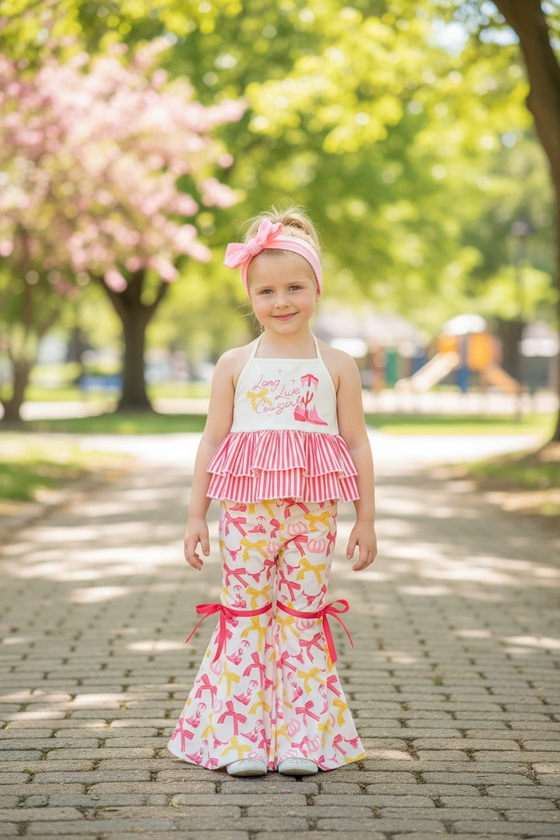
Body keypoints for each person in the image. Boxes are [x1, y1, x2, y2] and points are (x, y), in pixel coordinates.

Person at [168, 206, 377, 777]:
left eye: (294, 287)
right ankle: (240, 739)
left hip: (313, 518)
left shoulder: (337, 365)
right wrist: (194, 518)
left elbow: (357, 444)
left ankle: (301, 740)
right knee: (245, 616)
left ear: (316, 288)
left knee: (302, 618)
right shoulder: (235, 364)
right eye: (266, 291)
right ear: (251, 296)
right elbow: (212, 442)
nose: (281, 301)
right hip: (244, 518)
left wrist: (366, 520)